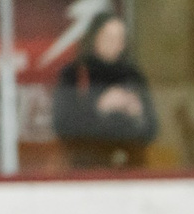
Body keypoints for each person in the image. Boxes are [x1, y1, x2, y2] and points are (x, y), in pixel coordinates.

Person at [52, 13, 159, 170]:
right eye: (109, 38)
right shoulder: (74, 75)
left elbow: (151, 129)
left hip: (130, 168)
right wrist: (100, 106)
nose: (115, 44)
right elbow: (63, 126)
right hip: (88, 169)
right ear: (95, 38)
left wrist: (138, 113)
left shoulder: (133, 76)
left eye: (120, 39)